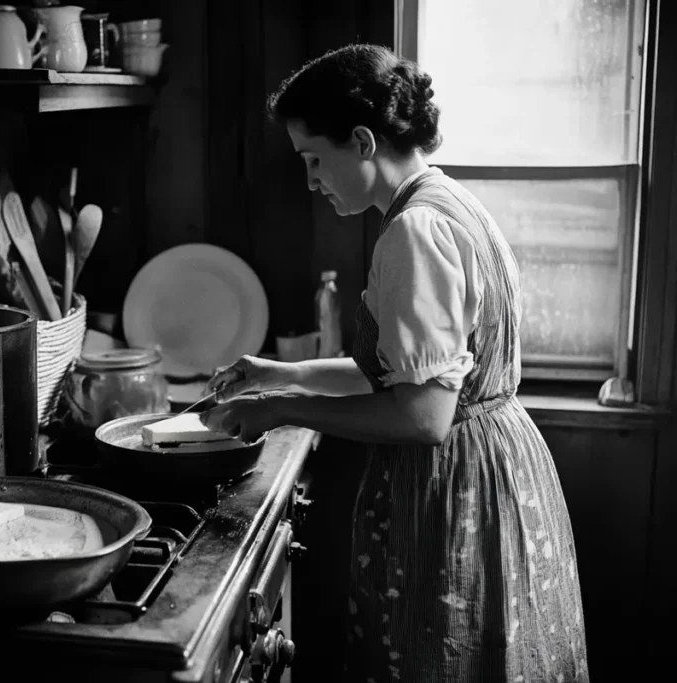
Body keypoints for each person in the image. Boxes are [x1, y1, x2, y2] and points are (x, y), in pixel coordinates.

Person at [202, 44, 590, 682]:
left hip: (454, 482)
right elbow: (401, 375)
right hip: (496, 465)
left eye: (313, 159)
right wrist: (277, 372)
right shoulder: (446, 202)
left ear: (361, 141)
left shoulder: (415, 231)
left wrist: (281, 410)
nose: (311, 181)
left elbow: (423, 415)